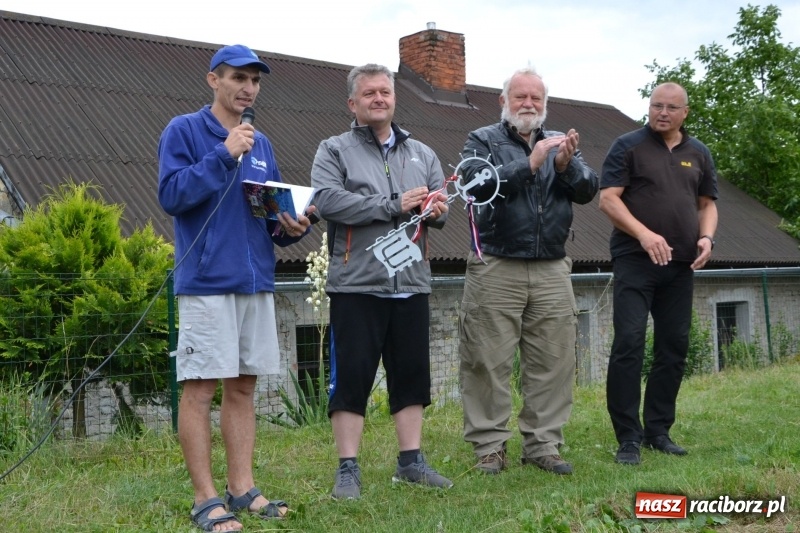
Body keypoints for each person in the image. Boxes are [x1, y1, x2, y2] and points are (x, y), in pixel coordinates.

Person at [157, 44, 314, 531]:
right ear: (213, 81)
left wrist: (292, 225)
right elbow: (172, 195)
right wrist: (223, 155)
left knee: (243, 387)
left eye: (255, 81)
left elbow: (266, 211)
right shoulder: (184, 130)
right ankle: (206, 499)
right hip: (206, 281)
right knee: (200, 388)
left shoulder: (262, 144)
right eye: (238, 79)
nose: (248, 89)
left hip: (255, 280)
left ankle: (242, 489)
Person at [310, 63, 453, 500]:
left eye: (385, 92)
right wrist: (393, 204)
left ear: (394, 98)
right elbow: (328, 200)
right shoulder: (333, 149)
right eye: (369, 93)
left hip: (411, 281)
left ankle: (410, 461)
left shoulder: (423, 153)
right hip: (357, 283)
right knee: (352, 377)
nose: (379, 98)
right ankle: (347, 469)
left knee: (411, 375)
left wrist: (437, 208)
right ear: (352, 103)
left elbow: (437, 208)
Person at [457, 67, 598, 476]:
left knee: (553, 360)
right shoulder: (482, 139)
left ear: (545, 104)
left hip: (553, 266)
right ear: (503, 102)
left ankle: (543, 445)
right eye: (520, 97)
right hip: (496, 263)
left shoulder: (559, 141)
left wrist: (567, 164)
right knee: (486, 359)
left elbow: (588, 189)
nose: (528, 104)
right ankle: (489, 447)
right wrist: (530, 164)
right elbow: (475, 185)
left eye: (536, 98)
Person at [599, 82, 718, 466]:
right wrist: (645, 234)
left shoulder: (698, 153)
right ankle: (628, 438)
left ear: (685, 113)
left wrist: (707, 239)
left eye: (670, 108)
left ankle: (658, 431)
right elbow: (608, 199)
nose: (662, 113)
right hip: (635, 259)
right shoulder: (628, 146)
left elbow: (707, 205)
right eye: (655, 106)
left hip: (681, 264)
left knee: (673, 346)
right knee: (629, 342)